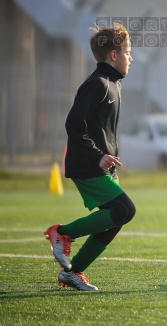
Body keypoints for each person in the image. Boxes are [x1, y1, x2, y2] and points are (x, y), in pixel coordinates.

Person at [45, 23, 135, 290]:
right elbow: (74, 123)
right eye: (128, 52)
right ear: (114, 55)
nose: (132, 57)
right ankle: (62, 233)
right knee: (125, 210)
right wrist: (98, 157)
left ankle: (73, 273)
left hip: (102, 165)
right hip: (88, 164)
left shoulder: (114, 84)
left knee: (115, 220)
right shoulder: (97, 84)